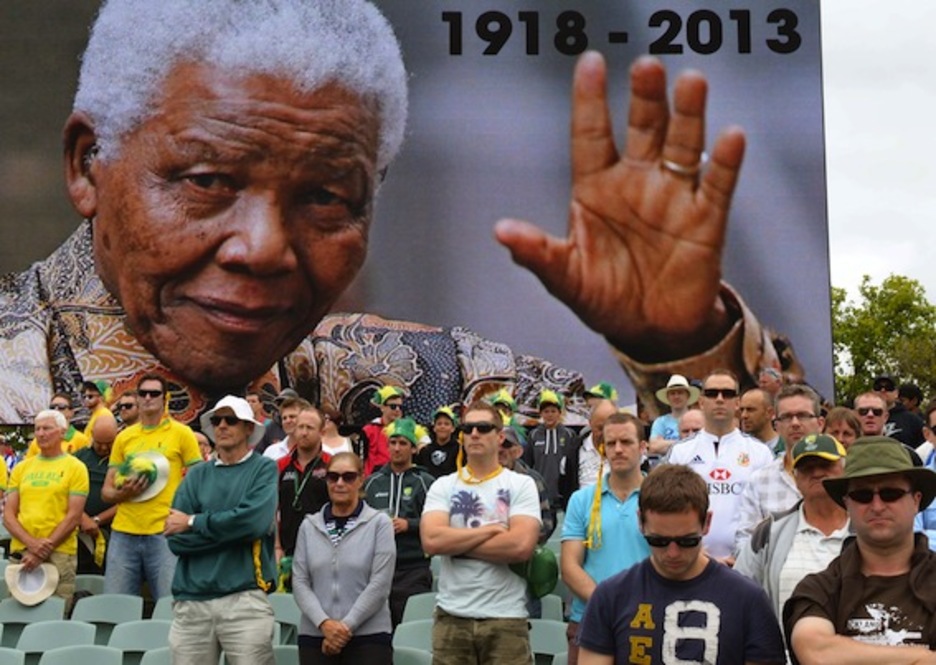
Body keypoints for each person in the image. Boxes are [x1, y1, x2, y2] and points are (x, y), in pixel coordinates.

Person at [0, 0, 793, 440]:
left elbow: (710, 495)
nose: (265, 248)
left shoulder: (411, 382)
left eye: (326, 200)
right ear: (86, 163)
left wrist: (679, 346)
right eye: (207, 180)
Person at [576, 464, 785, 664]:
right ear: (640, 522)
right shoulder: (611, 596)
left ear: (707, 523)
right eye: (658, 541)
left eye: (687, 541)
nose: (673, 553)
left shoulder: (747, 600)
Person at [784, 437, 936, 661]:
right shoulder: (820, 588)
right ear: (847, 503)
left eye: (890, 493)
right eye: (862, 496)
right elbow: (817, 653)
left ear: (916, 500)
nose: (877, 506)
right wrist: (922, 658)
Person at [421, 401, 541, 664]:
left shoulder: (521, 484)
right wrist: (491, 532)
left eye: (483, 427)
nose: (474, 433)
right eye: (468, 427)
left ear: (500, 437)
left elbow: (520, 547)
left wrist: (454, 542)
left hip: (506, 618)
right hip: (451, 616)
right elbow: (431, 541)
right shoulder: (443, 485)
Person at [165, 395, 278, 665]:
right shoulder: (196, 475)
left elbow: (253, 523)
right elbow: (176, 540)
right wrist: (232, 531)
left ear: (249, 428)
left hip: (245, 598)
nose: (222, 426)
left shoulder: (264, 469)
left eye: (231, 420)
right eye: (217, 420)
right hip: (191, 601)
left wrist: (194, 522)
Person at [101, 373, 201, 599]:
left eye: (154, 393)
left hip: (164, 531)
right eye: (142, 393)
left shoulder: (182, 433)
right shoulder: (124, 437)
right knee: (116, 607)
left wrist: (182, 514)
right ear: (137, 398)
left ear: (164, 398)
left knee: (169, 606)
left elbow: (199, 478)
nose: (148, 398)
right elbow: (106, 492)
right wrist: (123, 492)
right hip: (124, 531)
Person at [561, 412, 650, 665]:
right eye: (611, 444)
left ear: (643, 447)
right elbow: (569, 567)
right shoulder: (581, 500)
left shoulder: (659, 497)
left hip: (647, 620)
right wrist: (608, 603)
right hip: (589, 619)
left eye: (626, 442)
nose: (618, 450)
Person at [293, 452, 395, 664]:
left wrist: (345, 627)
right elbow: (300, 582)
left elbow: (380, 584)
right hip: (316, 636)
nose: (339, 483)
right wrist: (325, 624)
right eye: (333, 477)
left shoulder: (380, 524)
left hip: (369, 637)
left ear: (361, 479)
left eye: (348, 477)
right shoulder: (308, 526)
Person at [734, 434, 850, 618]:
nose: (817, 473)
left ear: (845, 471)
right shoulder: (769, 532)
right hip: (783, 645)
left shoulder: (866, 528)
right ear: (795, 479)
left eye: (826, 465)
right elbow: (739, 593)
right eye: (807, 468)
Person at [667, 369, 774, 562]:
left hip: (748, 562)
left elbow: (769, 513)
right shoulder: (680, 453)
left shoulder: (761, 453)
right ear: (701, 402)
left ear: (737, 403)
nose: (719, 399)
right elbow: (669, 508)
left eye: (727, 394)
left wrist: (745, 556)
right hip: (691, 561)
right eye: (712, 393)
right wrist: (698, 555)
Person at [3, 409, 89, 609]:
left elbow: (74, 516)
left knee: (56, 612)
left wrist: (42, 550)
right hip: (22, 552)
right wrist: (31, 545)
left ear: (62, 432)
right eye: (37, 429)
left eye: (47, 428)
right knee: (17, 613)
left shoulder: (76, 468)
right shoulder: (21, 468)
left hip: (59, 553)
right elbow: (9, 514)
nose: (41, 434)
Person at [734, 384, 825, 555]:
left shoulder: (841, 474)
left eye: (803, 416)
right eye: (787, 417)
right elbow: (744, 541)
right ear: (776, 425)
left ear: (820, 423)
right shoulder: (759, 480)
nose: (795, 423)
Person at [363, 417, 435, 628]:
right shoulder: (373, 482)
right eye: (393, 443)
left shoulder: (425, 481)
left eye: (403, 443)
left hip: (413, 568)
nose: (397, 448)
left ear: (413, 449)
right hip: (376, 568)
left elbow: (437, 523)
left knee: (408, 628)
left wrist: (409, 525)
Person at [276, 406, 331, 570]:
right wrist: (276, 547)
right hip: (288, 551)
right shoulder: (280, 465)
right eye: (300, 427)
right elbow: (272, 509)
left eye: (310, 428)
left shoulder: (332, 464)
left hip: (324, 551)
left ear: (322, 432)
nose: (304, 432)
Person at [74, 412, 119, 574]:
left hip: (112, 529)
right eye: (99, 443)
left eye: (109, 443)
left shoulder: (123, 458)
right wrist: (83, 518)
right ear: (92, 435)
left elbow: (129, 499)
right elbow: (64, 492)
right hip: (79, 527)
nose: (104, 448)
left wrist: (98, 520)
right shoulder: (79, 458)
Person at [523, 389, 576, 507]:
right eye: (546, 411)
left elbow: (573, 464)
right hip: (540, 494)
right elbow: (527, 464)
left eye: (553, 411)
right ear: (541, 414)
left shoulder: (569, 434)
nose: (550, 415)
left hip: (563, 494)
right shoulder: (534, 435)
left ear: (559, 413)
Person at [561, 399, 619, 504]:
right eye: (600, 428)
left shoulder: (631, 452)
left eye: (610, 427)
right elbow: (565, 491)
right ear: (590, 423)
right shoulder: (574, 453)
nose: (605, 433)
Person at [26, 392, 90, 457]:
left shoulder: (82, 440)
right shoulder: (38, 441)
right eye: (52, 407)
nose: (56, 410)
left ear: (71, 413)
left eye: (61, 407)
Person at [648, 374, 700, 455]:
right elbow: (654, 447)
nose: (676, 396)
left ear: (688, 396)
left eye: (680, 393)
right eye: (672, 393)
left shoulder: (698, 419)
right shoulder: (660, 422)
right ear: (668, 397)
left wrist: (665, 443)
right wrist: (684, 442)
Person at [416, 405, 461, 479]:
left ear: (453, 428)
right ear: (434, 428)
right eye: (439, 424)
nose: (442, 426)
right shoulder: (426, 450)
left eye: (446, 424)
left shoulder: (460, 450)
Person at [263, 396, 312, 462]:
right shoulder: (271, 452)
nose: (288, 421)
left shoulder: (318, 450)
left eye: (292, 417)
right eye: (284, 418)